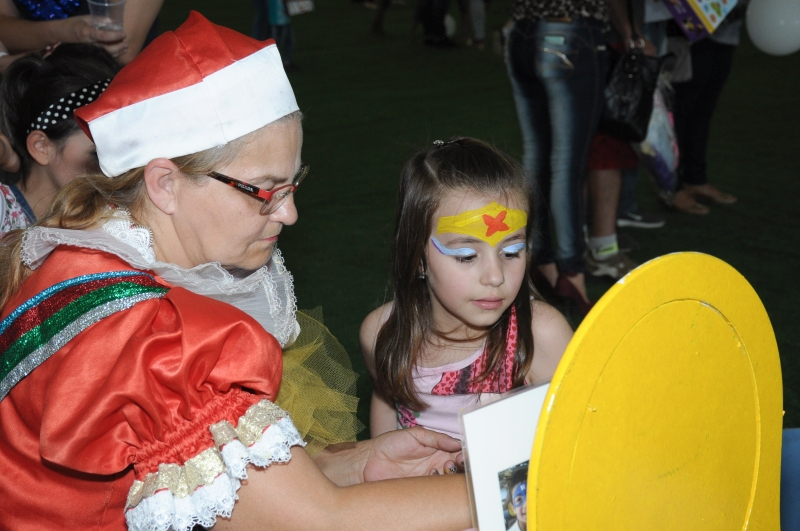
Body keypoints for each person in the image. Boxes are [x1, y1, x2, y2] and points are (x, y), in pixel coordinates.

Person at [0, 13, 472, 531]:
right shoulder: (156, 340)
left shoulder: (78, 259)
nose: (289, 213)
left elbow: (205, 485)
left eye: (294, 184)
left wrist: (352, 464)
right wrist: (511, 484)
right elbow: (320, 523)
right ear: (164, 184)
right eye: (266, 190)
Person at [360, 138, 573, 439]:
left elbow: (576, 436)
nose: (495, 276)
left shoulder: (540, 336)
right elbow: (386, 403)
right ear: (417, 258)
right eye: (466, 256)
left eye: (511, 252)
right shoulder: (382, 333)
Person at [505, 0, 649, 313]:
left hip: (520, 31)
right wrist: (630, 32)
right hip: (571, 29)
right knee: (567, 165)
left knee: (537, 156)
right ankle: (571, 274)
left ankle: (542, 264)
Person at [0, 43, 119, 235]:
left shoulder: (115, 216)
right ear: (41, 147)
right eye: (97, 154)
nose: (116, 168)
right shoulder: (4, 211)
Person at [0, 0, 163, 65]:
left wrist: (20, 58)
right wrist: (61, 32)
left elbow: (122, 49)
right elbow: (5, 29)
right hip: (35, 90)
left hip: (116, 95)